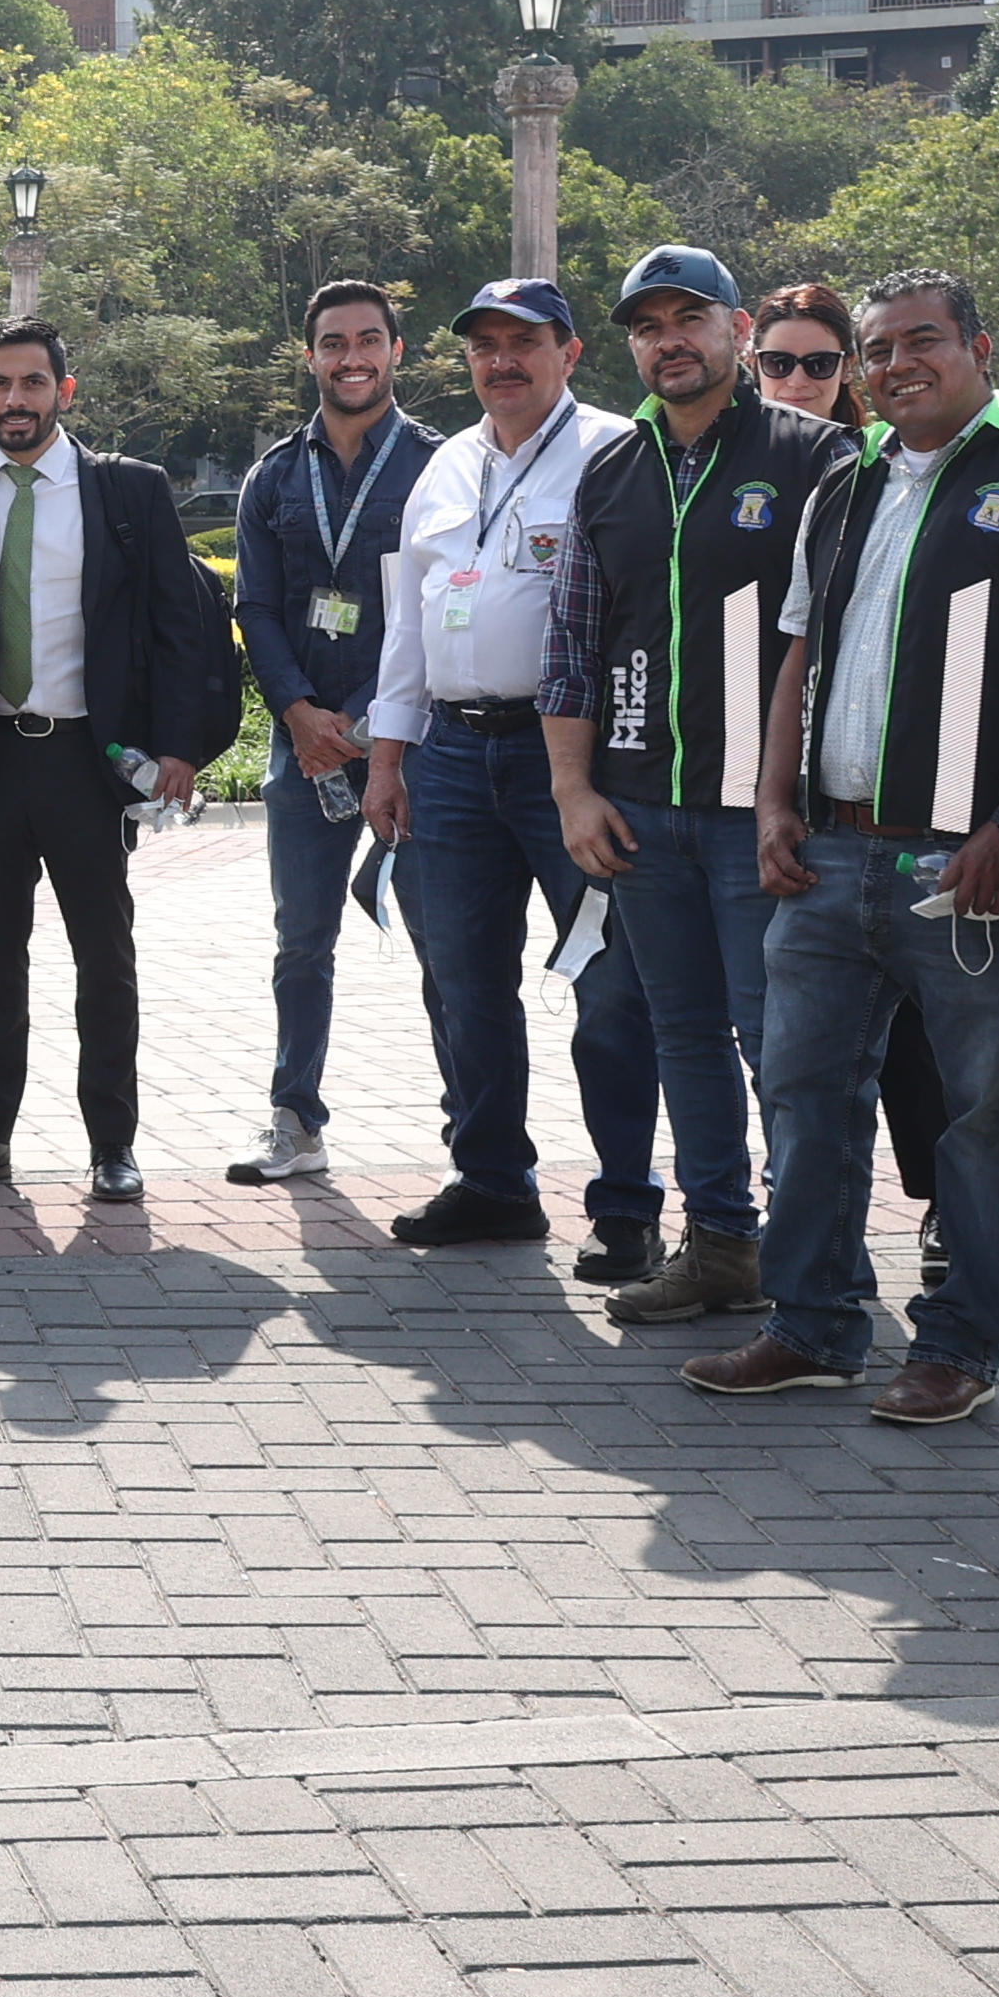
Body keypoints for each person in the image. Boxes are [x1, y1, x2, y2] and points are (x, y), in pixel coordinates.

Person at [682, 270, 999, 1423]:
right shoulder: (847, 479)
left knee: (981, 1113)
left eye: (921, 342)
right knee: (804, 1093)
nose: (894, 365)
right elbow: (795, 654)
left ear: (979, 345)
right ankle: (814, 1324)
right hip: (829, 853)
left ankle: (962, 1343)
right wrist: (773, 806)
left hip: (967, 868)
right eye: (875, 350)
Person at [545, 247, 844, 1323]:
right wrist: (575, 793)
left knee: (785, 1049)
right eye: (647, 324)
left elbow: (842, 646)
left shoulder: (817, 458)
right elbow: (574, 645)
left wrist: (795, 798)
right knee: (682, 1034)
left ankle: (820, 1271)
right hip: (639, 810)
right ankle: (721, 1244)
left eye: (689, 318)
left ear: (734, 330)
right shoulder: (612, 471)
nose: (668, 339)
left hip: (762, 820)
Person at [0, 317, 239, 1200]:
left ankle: (111, 1145)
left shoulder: (128, 492)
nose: (16, 400)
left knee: (103, 955)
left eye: (33, 384)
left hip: (91, 760)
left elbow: (179, 626)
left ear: (64, 393)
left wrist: (177, 748)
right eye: (1, 384)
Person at [359, 279, 658, 1266]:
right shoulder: (445, 465)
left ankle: (626, 1203)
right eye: (484, 344)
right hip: (451, 756)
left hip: (572, 758)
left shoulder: (617, 453)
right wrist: (389, 756)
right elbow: (409, 621)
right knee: (458, 976)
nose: (502, 361)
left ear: (570, 354)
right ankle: (492, 1179)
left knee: (610, 982)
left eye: (523, 342)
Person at [754, 279, 955, 1276]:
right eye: (777, 363)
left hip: (922, 814)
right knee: (796, 1054)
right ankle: (803, 1262)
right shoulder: (745, 468)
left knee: (918, 1041)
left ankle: (942, 1214)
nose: (798, 381)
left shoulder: (884, 470)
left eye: (821, 363)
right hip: (778, 802)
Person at [222, 282, 431, 1188]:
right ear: (308, 355)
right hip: (301, 742)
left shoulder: (440, 465)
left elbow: (440, 606)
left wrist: (374, 723)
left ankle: (480, 1141)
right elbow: (256, 606)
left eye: (369, 340)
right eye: (334, 342)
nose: (352, 357)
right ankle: (295, 1121)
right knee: (300, 940)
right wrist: (301, 715)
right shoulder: (274, 473)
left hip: (411, 742)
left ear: (396, 351)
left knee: (446, 943)